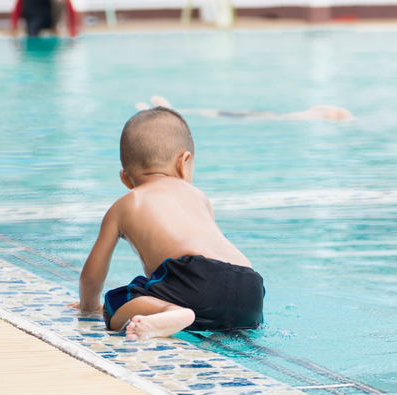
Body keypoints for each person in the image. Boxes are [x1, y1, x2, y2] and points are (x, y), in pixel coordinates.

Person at [68, 106, 265, 340]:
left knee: (114, 303)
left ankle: (171, 312)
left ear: (125, 178)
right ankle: (221, 329)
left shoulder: (125, 204)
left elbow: (91, 278)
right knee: (217, 311)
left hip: (196, 282)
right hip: (250, 287)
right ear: (184, 162)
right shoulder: (198, 196)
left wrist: (89, 308)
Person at [135, 96, 354, 122]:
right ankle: (167, 109)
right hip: (267, 117)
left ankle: (164, 110)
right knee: (214, 110)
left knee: (213, 112)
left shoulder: (326, 115)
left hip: (266, 119)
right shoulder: (321, 113)